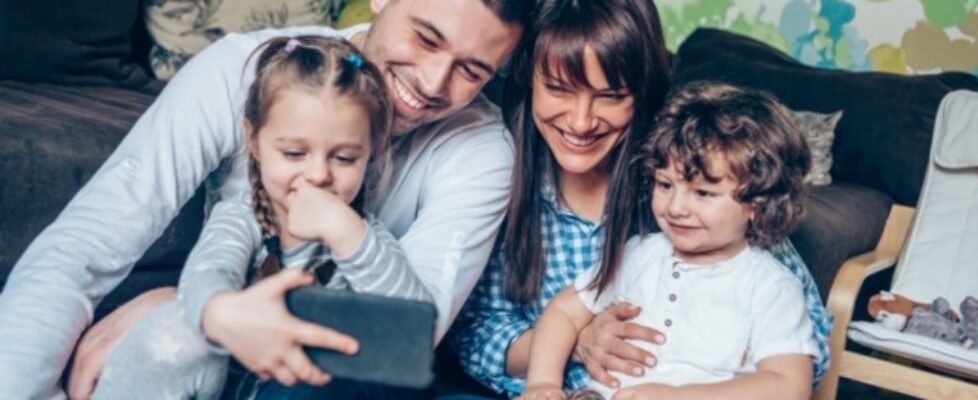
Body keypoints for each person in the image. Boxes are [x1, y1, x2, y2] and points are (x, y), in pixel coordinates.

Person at [0, 1, 529, 398]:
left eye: (472, 70)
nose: (433, 83)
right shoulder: (246, 71)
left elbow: (407, 335)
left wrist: (176, 302)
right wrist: (200, 309)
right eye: (426, 38)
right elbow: (82, 247)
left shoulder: (481, 150)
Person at [447, 0, 832, 397]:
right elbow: (478, 331)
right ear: (530, 81)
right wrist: (571, 352)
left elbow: (804, 355)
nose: (581, 122)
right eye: (559, 89)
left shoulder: (688, 176)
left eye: (611, 95)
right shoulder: (499, 179)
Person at [86, 35, 437, 398]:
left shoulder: (366, 237)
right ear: (254, 140)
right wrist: (222, 312)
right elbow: (208, 273)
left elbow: (416, 329)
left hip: (305, 388)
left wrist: (345, 230)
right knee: (173, 326)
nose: (318, 174)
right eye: (294, 153)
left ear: (371, 151)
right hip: (230, 382)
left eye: (344, 158)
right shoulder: (244, 216)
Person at [520, 82, 818, 400]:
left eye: (702, 193)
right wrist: (543, 384)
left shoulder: (769, 285)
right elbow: (564, 312)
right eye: (665, 185)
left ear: (758, 204)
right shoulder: (639, 253)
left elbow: (788, 386)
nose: (675, 208)